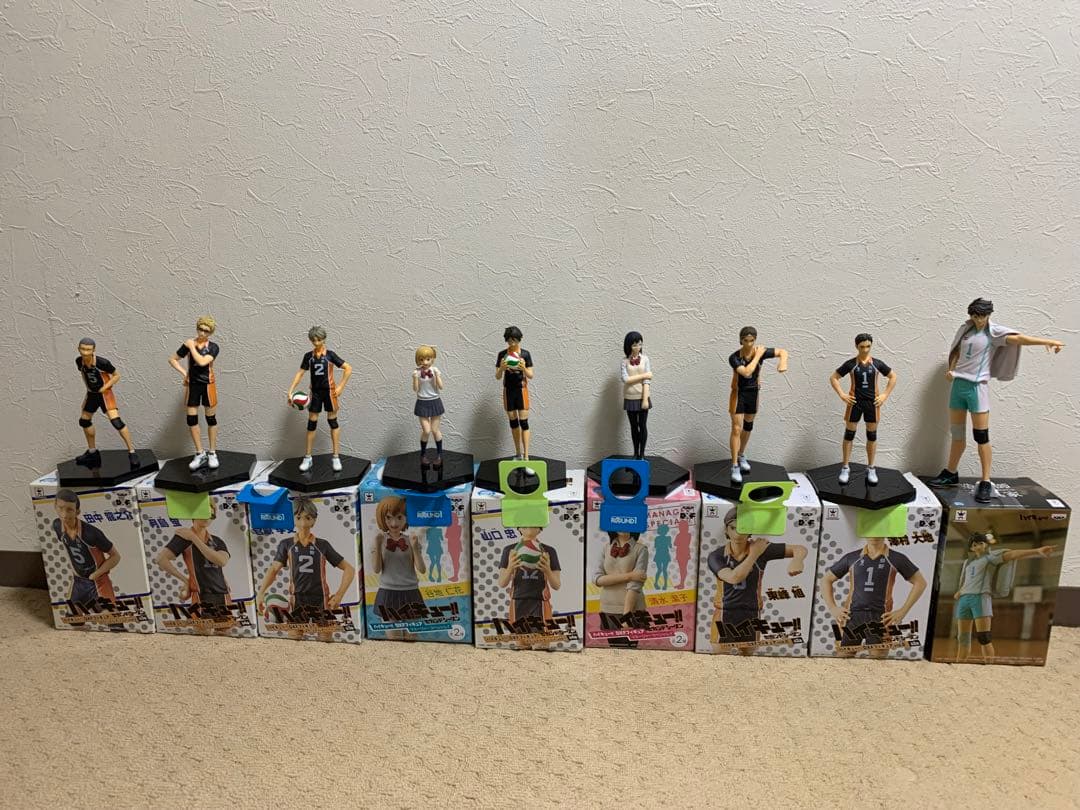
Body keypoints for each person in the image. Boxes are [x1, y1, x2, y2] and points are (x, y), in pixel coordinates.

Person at [927, 298, 1064, 503]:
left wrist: (1046, 341)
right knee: (957, 434)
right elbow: (956, 351)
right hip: (958, 386)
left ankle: (985, 480)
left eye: (982, 316)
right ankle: (951, 472)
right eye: (975, 316)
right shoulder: (966, 330)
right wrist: (951, 369)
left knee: (981, 436)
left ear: (989, 315)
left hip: (977, 388)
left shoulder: (993, 333)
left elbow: (1019, 339)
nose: (978, 320)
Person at [708, 507, 806, 654]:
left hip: (751, 613)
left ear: (750, 530)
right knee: (720, 656)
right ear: (726, 529)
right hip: (725, 613)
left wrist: (798, 560)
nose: (737, 534)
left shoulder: (761, 549)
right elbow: (734, 578)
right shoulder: (717, 556)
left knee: (748, 658)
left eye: (742, 529)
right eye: (733, 528)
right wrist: (754, 554)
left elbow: (799, 548)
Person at [256, 498, 355, 641]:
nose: (303, 523)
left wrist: (339, 595)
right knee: (294, 637)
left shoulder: (322, 545)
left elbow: (349, 569)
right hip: (297, 598)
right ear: (293, 519)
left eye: (307, 518)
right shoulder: (286, 544)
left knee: (326, 637)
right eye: (298, 518)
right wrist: (260, 593)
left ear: (314, 521)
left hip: (321, 598)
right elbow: (274, 569)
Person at [953, 532, 1054, 663]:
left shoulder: (991, 558)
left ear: (985, 545)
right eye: (974, 545)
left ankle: (989, 667)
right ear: (971, 548)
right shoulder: (968, 563)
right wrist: (960, 591)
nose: (977, 546)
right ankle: (959, 664)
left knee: (984, 637)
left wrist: (1037, 551)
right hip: (964, 599)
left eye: (980, 543)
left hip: (980, 598)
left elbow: (1012, 554)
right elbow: (967, 580)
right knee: (963, 638)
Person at [821, 537, 926, 658]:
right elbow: (826, 579)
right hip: (852, 616)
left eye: (878, 531)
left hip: (881, 617)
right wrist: (832, 608)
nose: (874, 535)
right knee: (843, 656)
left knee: (878, 658)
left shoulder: (896, 558)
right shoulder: (852, 557)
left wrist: (903, 610)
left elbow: (920, 583)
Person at [829, 333, 898, 485]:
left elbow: (893, 376)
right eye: (862, 347)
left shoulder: (877, 364)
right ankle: (845, 467)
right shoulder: (851, 364)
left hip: (872, 403)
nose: (865, 350)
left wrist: (884, 395)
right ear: (856, 346)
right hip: (854, 402)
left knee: (872, 435)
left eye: (868, 346)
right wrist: (842, 395)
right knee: (849, 434)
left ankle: (871, 467)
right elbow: (834, 377)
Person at [286, 326, 352, 473]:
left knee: (332, 422)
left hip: (329, 392)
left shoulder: (330, 355)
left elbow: (348, 368)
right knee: (311, 423)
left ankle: (336, 457)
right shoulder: (308, 356)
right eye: (313, 340)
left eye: (319, 340)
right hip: (315, 393)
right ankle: (308, 457)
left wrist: (341, 387)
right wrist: (290, 391)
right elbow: (300, 373)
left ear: (324, 339)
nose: (316, 343)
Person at [727, 327, 788, 483]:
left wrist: (782, 362)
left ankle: (741, 454)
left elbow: (783, 351)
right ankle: (734, 465)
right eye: (746, 341)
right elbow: (747, 372)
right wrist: (759, 355)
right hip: (739, 394)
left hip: (753, 393)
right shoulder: (734, 357)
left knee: (748, 426)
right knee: (736, 428)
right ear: (741, 340)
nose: (749, 344)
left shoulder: (759, 351)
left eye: (752, 341)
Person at [156, 507, 231, 629]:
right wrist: (185, 580)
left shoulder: (217, 541)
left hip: (223, 593)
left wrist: (193, 537)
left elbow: (222, 561)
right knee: (204, 631)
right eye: (204, 513)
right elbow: (161, 559)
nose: (207, 518)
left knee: (226, 630)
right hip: (201, 593)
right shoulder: (184, 538)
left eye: (211, 516)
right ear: (194, 514)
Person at [73, 338, 137, 467]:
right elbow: (84, 376)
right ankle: (92, 453)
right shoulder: (79, 361)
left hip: (105, 394)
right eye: (83, 349)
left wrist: (105, 387)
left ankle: (132, 452)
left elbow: (117, 375)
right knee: (84, 421)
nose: (85, 352)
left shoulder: (102, 362)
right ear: (78, 349)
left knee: (116, 422)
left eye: (88, 349)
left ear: (94, 350)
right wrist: (88, 392)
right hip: (92, 394)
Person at [369, 495, 426, 639]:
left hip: (411, 592)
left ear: (406, 518)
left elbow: (422, 569)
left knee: (411, 638)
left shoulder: (410, 540)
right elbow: (376, 569)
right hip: (387, 592)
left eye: (399, 517)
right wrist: (377, 545)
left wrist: (415, 548)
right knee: (393, 640)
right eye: (389, 518)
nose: (394, 523)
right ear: (382, 518)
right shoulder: (379, 540)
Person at [169, 316, 221, 471]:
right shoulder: (190, 343)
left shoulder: (213, 347)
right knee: (191, 419)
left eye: (206, 331)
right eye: (200, 329)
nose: (202, 333)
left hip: (208, 384)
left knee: (210, 418)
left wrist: (191, 346)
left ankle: (212, 452)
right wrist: (184, 373)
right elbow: (172, 359)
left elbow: (202, 362)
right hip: (193, 385)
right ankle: (200, 452)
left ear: (210, 333)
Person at [53, 489, 121, 606]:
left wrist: (96, 574)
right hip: (78, 581)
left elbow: (116, 556)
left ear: (77, 511)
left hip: (98, 581)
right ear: (55, 506)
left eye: (69, 510)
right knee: (72, 615)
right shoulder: (57, 525)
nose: (64, 514)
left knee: (110, 615)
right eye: (60, 508)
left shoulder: (91, 533)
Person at [593, 531, 649, 648]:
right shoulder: (606, 548)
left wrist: (627, 617)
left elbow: (635, 585)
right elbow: (597, 579)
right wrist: (629, 576)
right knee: (614, 651)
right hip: (607, 609)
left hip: (632, 610)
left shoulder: (641, 549)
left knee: (628, 652)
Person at [497, 526, 561, 623]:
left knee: (542, 633)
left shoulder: (549, 550)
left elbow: (556, 585)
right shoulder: (510, 550)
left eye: (534, 524)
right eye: (525, 524)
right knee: (520, 633)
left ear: (540, 528)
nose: (529, 527)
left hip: (540, 601)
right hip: (517, 600)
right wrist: (510, 567)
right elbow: (502, 583)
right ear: (518, 528)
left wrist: (547, 570)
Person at [495, 326, 534, 460]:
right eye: (509, 340)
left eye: (514, 340)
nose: (512, 343)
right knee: (513, 422)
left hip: (521, 390)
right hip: (509, 391)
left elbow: (531, 375)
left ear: (519, 339)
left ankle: (526, 455)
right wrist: (502, 368)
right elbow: (498, 376)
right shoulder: (502, 355)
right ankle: (518, 453)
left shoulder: (525, 354)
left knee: (524, 422)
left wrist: (524, 369)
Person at [620, 331, 652, 459]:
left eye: (640, 344)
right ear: (628, 346)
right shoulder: (624, 361)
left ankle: (642, 454)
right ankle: (635, 453)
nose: (638, 347)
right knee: (633, 427)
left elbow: (647, 381)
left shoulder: (645, 359)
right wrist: (644, 375)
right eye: (634, 345)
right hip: (630, 397)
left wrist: (645, 399)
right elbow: (626, 379)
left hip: (642, 396)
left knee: (642, 426)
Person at [412, 345, 445, 465]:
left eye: (427, 359)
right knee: (426, 431)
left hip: (435, 401)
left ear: (432, 359)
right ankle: (423, 455)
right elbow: (415, 389)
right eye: (421, 359)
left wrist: (437, 375)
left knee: (435, 430)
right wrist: (415, 378)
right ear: (418, 360)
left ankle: (439, 455)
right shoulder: (417, 372)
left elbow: (441, 386)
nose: (425, 362)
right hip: (422, 402)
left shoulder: (435, 370)